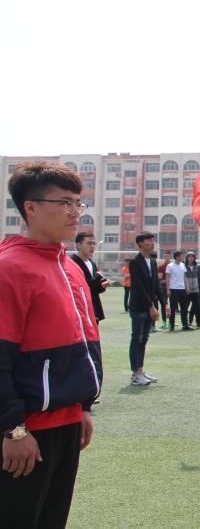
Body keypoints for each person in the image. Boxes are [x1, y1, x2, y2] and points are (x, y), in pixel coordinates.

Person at [0, 162, 102, 528]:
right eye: (64, 203)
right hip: (26, 429)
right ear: (31, 207)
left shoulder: (71, 267)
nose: (75, 212)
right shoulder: (9, 268)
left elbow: (86, 343)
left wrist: (83, 407)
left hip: (68, 422)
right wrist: (13, 429)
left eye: (78, 203)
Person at [128, 233, 161, 386]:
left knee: (144, 340)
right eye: (149, 240)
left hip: (149, 307)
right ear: (140, 243)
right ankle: (135, 374)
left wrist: (164, 303)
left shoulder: (152, 262)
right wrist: (151, 306)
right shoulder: (135, 262)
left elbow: (155, 285)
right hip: (139, 307)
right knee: (137, 339)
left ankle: (140, 371)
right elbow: (139, 287)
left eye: (153, 240)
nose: (152, 243)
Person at [70, 231, 108, 323]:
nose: (92, 246)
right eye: (89, 243)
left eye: (94, 243)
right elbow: (80, 288)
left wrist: (102, 286)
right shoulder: (72, 263)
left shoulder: (92, 263)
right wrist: (97, 276)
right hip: (79, 310)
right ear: (78, 245)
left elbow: (94, 289)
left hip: (94, 309)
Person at [165, 251, 190, 331]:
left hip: (182, 289)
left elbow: (184, 277)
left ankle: (185, 325)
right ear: (177, 257)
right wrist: (168, 289)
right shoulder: (170, 266)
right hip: (173, 289)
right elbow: (167, 278)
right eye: (181, 256)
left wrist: (187, 287)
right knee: (173, 308)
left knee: (184, 308)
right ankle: (172, 325)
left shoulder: (183, 265)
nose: (183, 257)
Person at [184, 253, 200, 328]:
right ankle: (186, 323)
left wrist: (199, 287)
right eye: (189, 257)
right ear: (187, 258)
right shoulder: (184, 267)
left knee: (197, 307)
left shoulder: (197, 267)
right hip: (187, 290)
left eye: (192, 257)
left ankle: (199, 323)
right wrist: (185, 288)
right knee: (185, 307)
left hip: (196, 290)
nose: (191, 258)